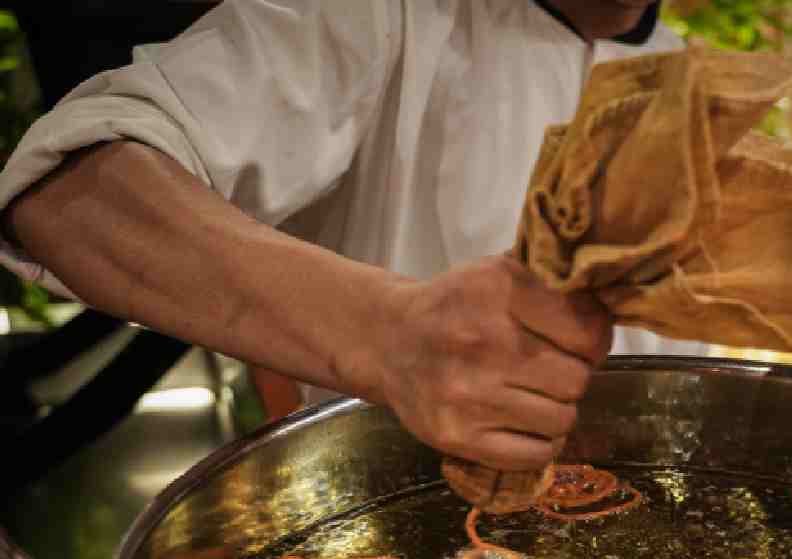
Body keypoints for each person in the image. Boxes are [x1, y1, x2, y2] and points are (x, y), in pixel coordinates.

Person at [0, 0, 711, 476]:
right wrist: (390, 332)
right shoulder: (375, 14)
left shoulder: (685, 75)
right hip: (379, 532)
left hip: (633, 521)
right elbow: (64, 193)